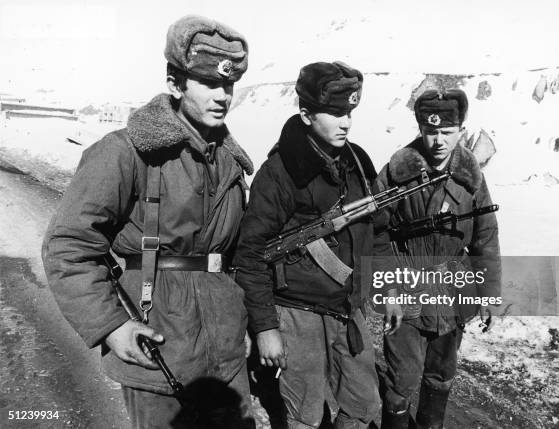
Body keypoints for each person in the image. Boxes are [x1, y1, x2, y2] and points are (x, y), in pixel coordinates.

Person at [42, 15, 255, 429]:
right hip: (158, 346)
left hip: (226, 356)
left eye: (228, 85)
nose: (222, 96)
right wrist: (113, 326)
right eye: (208, 83)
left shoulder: (230, 163)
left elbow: (232, 259)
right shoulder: (125, 153)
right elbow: (69, 246)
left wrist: (241, 322)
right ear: (175, 84)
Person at [234, 61, 391, 428]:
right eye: (335, 113)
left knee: (364, 404)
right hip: (296, 311)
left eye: (350, 112)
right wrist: (265, 328)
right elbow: (251, 254)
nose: (346, 122)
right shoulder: (281, 171)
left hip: (347, 307)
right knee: (303, 413)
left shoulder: (357, 161)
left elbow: (378, 231)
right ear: (306, 114)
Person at [377, 89, 501, 428]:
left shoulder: (471, 178)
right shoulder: (396, 172)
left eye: (447, 132)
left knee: (441, 376)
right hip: (406, 290)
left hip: (451, 292)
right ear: (420, 128)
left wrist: (489, 294)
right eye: (431, 132)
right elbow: (376, 235)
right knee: (400, 380)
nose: (438, 142)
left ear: (461, 130)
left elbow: (486, 238)